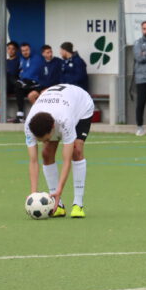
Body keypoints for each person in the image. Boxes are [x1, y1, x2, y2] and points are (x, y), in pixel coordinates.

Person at [25, 83, 96, 219]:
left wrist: (60, 190)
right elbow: (33, 161)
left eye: (46, 138)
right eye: (41, 140)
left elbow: (66, 161)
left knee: (76, 150)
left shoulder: (65, 120)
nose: (45, 141)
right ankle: (58, 206)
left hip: (81, 106)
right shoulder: (29, 126)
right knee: (46, 153)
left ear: (53, 127)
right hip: (59, 105)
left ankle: (78, 204)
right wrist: (33, 194)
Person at [15, 42, 40, 121]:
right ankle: (20, 114)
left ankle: (39, 114)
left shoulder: (36, 58)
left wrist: (22, 80)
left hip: (35, 84)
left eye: (27, 50)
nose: (25, 52)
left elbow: (31, 73)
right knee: (18, 87)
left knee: (21, 86)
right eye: (23, 51)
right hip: (25, 84)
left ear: (30, 50)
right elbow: (21, 72)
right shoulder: (21, 59)